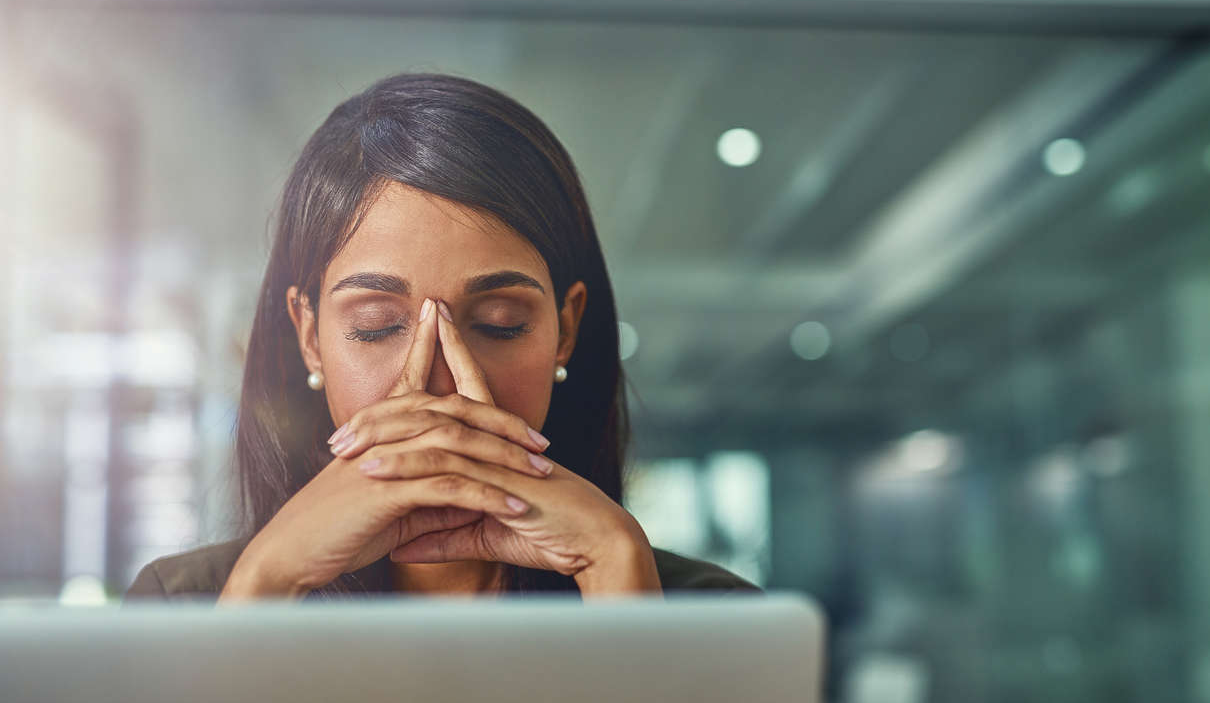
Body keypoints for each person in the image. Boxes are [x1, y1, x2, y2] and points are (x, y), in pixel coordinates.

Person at [126, 73, 760, 601]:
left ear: (564, 332)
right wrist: (268, 583)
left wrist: (616, 569)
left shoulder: (708, 613)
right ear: (311, 337)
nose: (440, 382)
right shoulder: (188, 602)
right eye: (376, 327)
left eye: (499, 324)